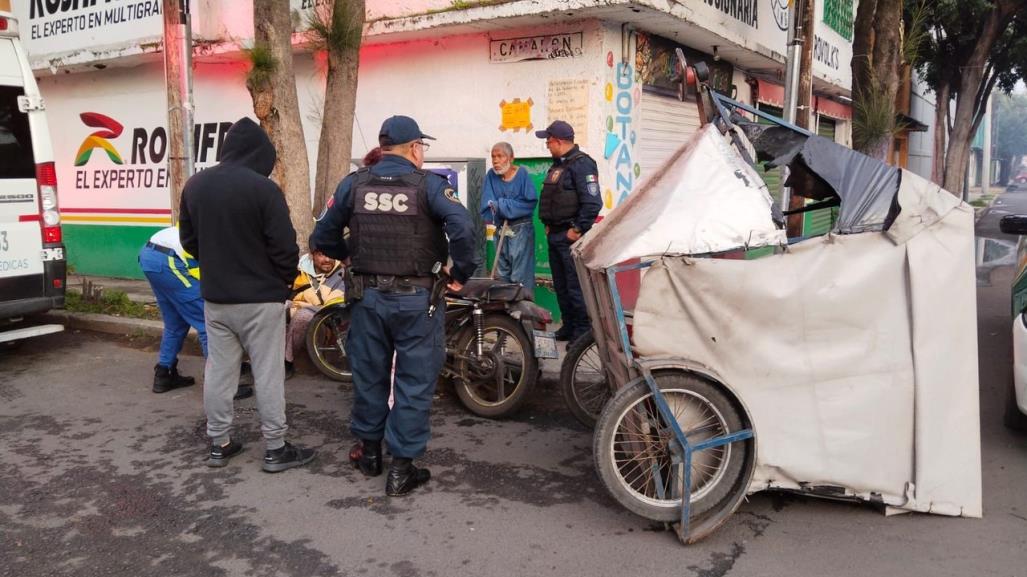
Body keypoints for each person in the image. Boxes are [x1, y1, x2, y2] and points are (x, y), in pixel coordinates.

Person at [312, 115, 478, 496]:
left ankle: (369, 454)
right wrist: (460, 273)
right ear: (415, 149)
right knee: (414, 381)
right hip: (417, 302)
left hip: (366, 299)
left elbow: (323, 234)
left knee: (369, 375)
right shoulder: (429, 187)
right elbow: (464, 229)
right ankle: (402, 470)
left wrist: (348, 256)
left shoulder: (353, 184)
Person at [180, 117, 316, 472]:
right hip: (261, 301)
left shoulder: (195, 186)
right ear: (260, 156)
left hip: (216, 298)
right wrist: (283, 284)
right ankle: (275, 447)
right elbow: (285, 248)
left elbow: (189, 242)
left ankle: (220, 443)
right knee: (267, 374)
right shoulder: (264, 190)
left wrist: (218, 263)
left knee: (219, 371)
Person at [139, 226, 255, 399]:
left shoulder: (212, 227)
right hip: (169, 260)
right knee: (208, 322)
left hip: (149, 255)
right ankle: (220, 385)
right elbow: (208, 277)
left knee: (175, 322)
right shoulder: (221, 242)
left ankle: (163, 374)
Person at [535, 120, 602, 342]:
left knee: (575, 286)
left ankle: (582, 332)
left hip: (570, 236)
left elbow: (592, 203)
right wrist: (548, 224)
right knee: (561, 286)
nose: (547, 145)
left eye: (548, 141)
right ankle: (569, 325)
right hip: (555, 235)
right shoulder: (559, 165)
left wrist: (577, 229)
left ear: (559, 141)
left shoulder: (582, 164)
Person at [479, 142, 537, 292]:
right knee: (502, 274)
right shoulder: (491, 176)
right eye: (493, 157)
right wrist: (506, 206)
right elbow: (488, 205)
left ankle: (522, 312)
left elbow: (528, 203)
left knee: (520, 275)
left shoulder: (522, 174)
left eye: (500, 156)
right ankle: (505, 313)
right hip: (500, 229)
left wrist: (502, 205)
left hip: (521, 229)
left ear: (511, 158)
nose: (495, 161)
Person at [285, 236, 346, 376]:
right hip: (296, 315)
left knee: (303, 316)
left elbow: (332, 307)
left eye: (331, 254)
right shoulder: (299, 272)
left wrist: (301, 306)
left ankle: (286, 362)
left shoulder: (341, 274)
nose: (327, 259)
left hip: (327, 325)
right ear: (312, 255)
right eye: (321, 254)